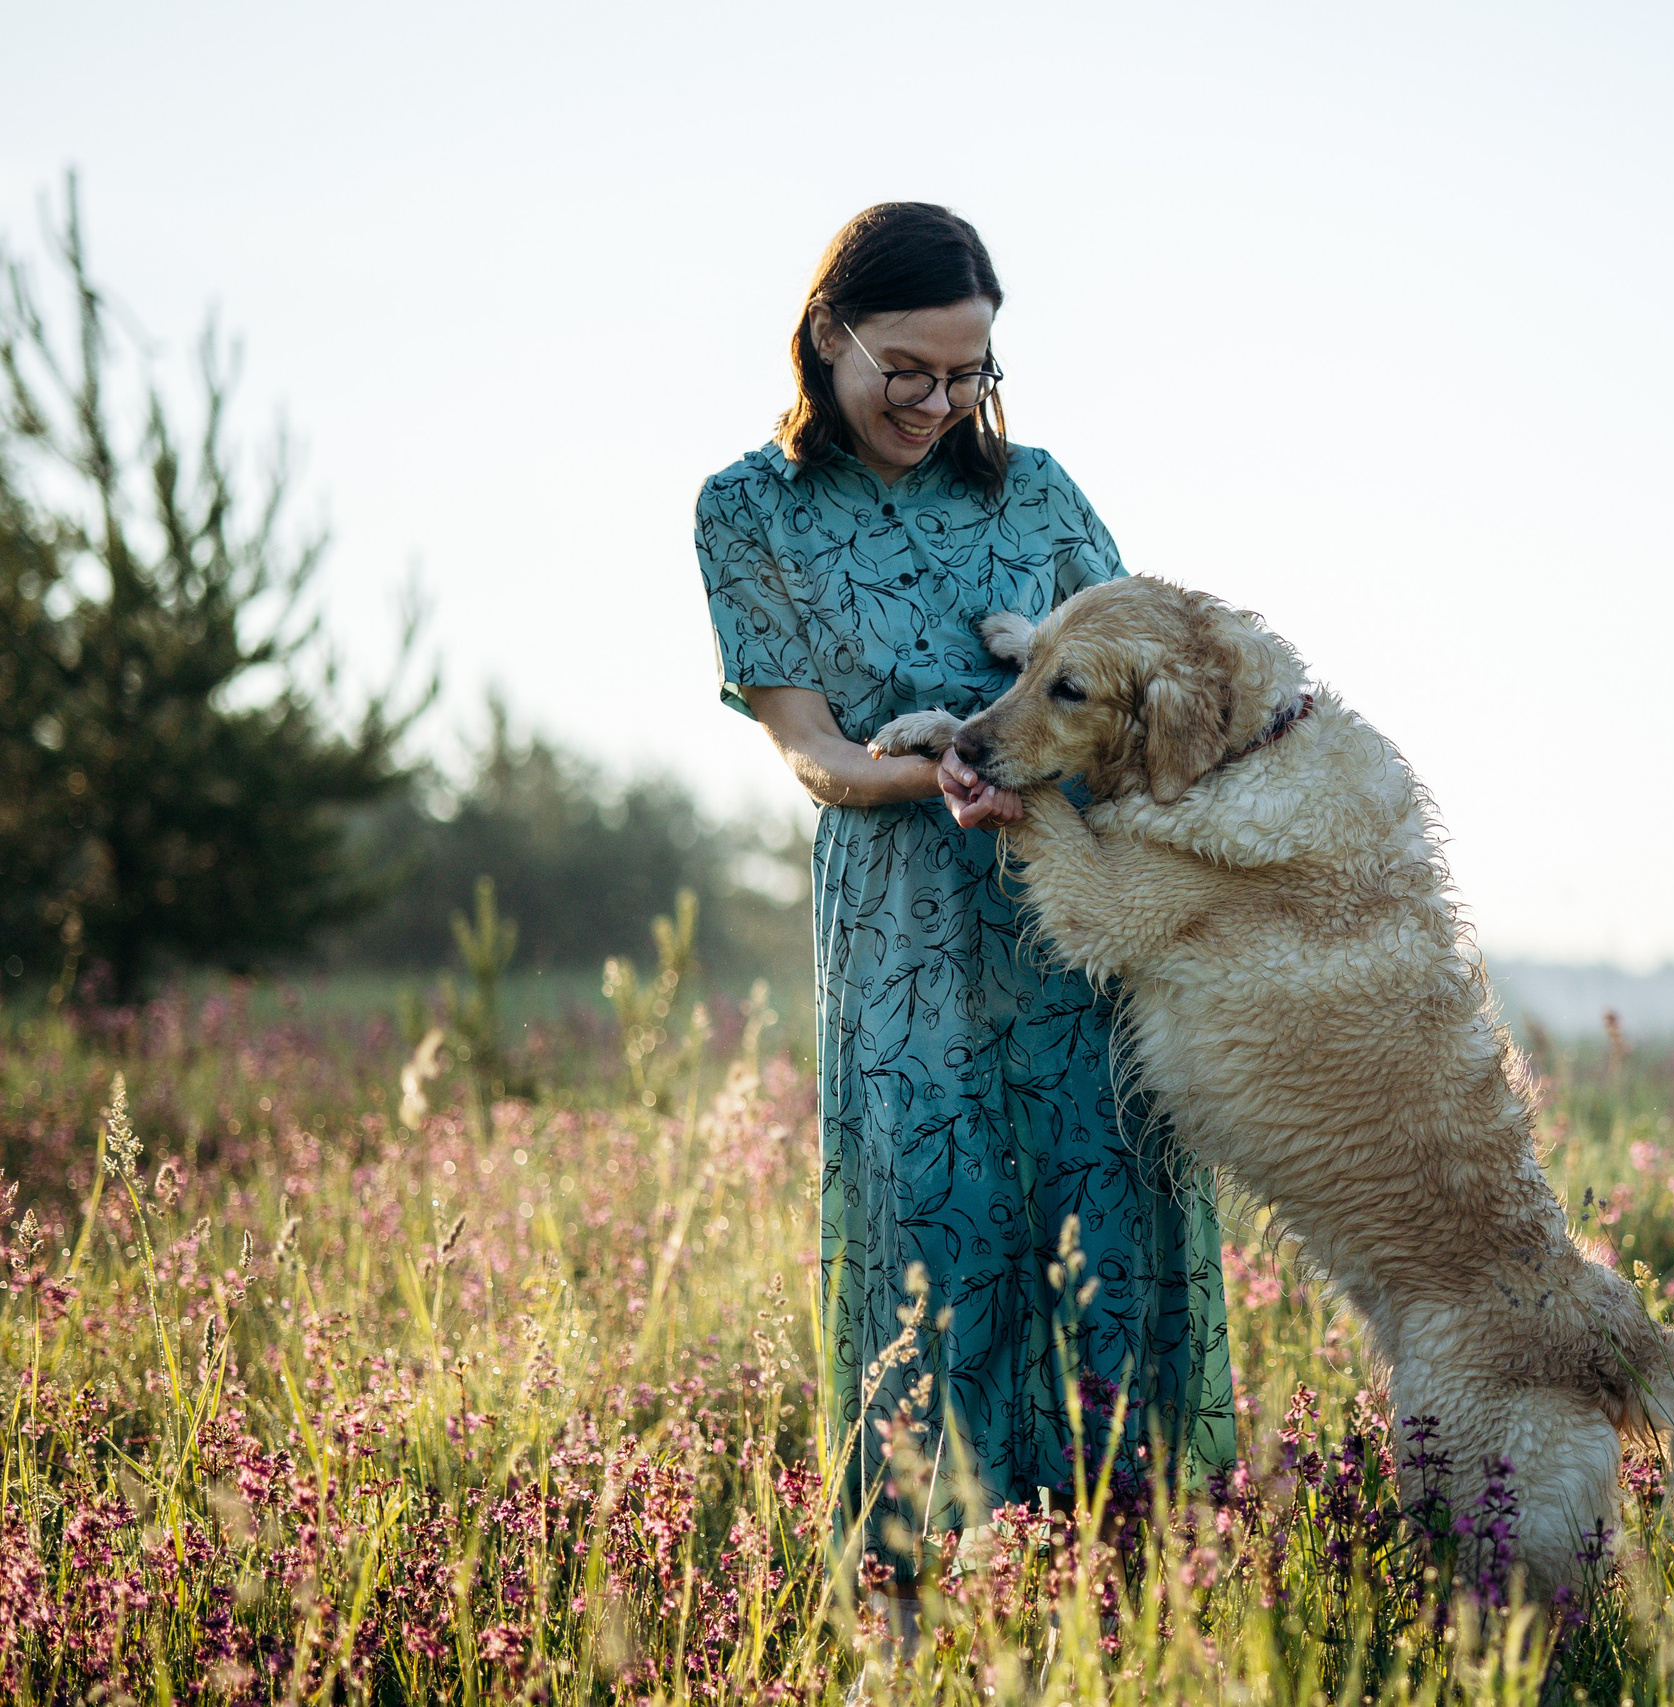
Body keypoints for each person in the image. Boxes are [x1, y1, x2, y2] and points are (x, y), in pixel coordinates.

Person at [692, 203, 1234, 1595]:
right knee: (934, 1249)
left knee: (1108, 1247)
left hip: (1080, 925)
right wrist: (924, 769)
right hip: (907, 941)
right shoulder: (747, 510)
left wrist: (1049, 769)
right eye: (908, 370)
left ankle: (1126, 1602)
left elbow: (1154, 684)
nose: (938, 402)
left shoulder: (1039, 492)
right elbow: (809, 750)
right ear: (828, 337)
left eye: (969, 372)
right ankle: (928, 1610)